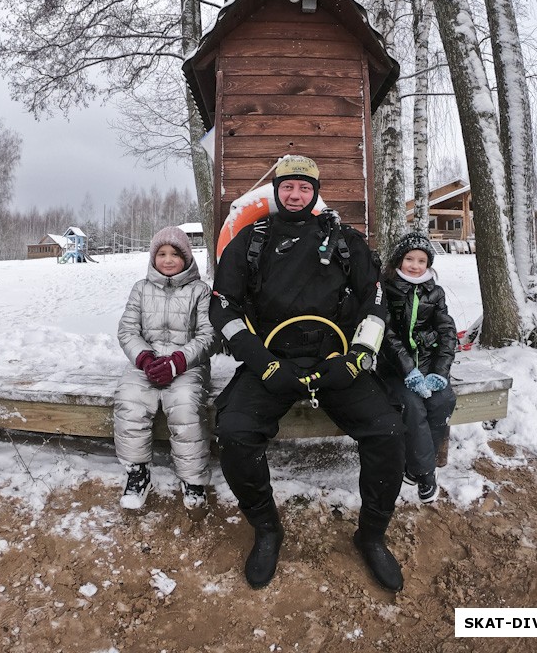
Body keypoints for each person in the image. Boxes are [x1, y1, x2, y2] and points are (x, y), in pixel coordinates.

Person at [209, 155, 406, 592]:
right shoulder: (250, 241)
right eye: (287, 187)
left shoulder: (343, 240)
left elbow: (376, 304)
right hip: (271, 362)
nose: (294, 194)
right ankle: (266, 529)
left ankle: (372, 535)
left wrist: (357, 357)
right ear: (276, 191)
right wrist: (263, 363)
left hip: (335, 362)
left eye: (303, 187)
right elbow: (222, 307)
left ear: (315, 193)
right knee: (236, 433)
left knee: (389, 432)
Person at [114, 226, 217, 511]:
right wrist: (146, 359)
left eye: (175, 254)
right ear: (153, 257)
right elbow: (127, 331)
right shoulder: (141, 288)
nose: (168, 260)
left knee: (185, 406)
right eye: (161, 254)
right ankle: (138, 473)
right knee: (129, 401)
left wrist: (178, 362)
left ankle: (193, 479)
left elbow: (208, 335)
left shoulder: (200, 291)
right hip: (145, 363)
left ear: (186, 258)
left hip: (187, 364)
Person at [378, 232, 457, 503]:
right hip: (395, 369)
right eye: (409, 259)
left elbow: (446, 331)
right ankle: (426, 474)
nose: (415, 265)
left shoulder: (434, 291)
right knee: (412, 406)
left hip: (428, 366)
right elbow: (385, 334)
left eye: (421, 260)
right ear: (398, 261)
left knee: (443, 401)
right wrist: (408, 370)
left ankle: (413, 468)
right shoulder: (386, 288)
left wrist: (439, 372)